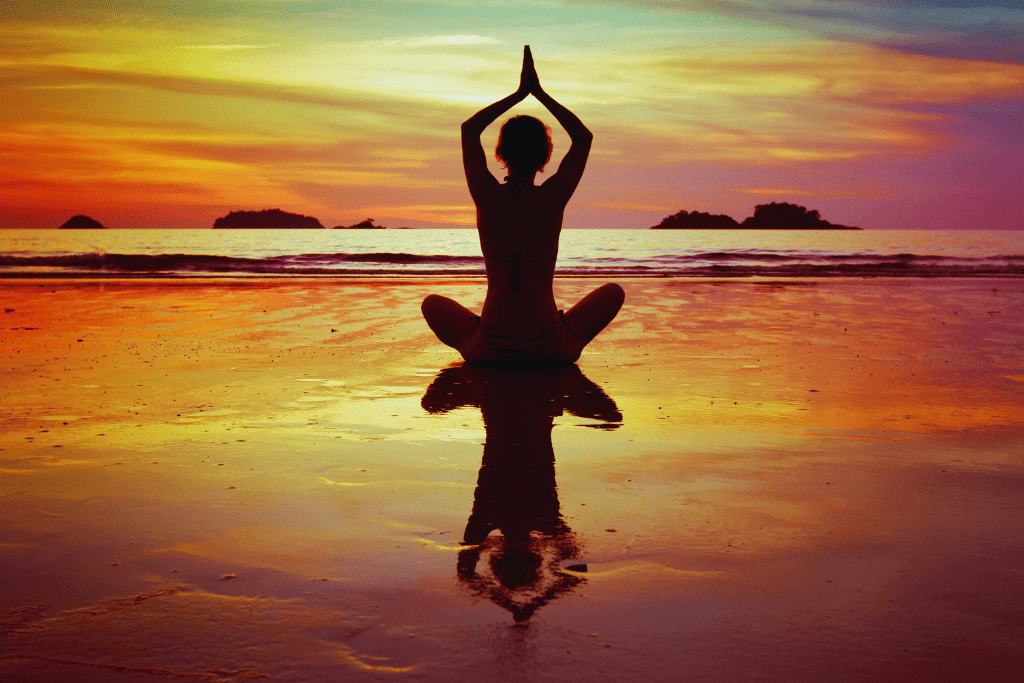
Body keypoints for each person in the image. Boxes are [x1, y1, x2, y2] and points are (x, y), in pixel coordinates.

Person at [422, 45, 624, 365]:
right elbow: (583, 137)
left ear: (500, 154)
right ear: (546, 157)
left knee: (431, 303)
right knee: (614, 291)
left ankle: (478, 337)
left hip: (489, 350)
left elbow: (469, 129)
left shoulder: (487, 195)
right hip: (551, 350)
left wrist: (518, 94)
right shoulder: (552, 197)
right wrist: (539, 93)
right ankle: (554, 331)